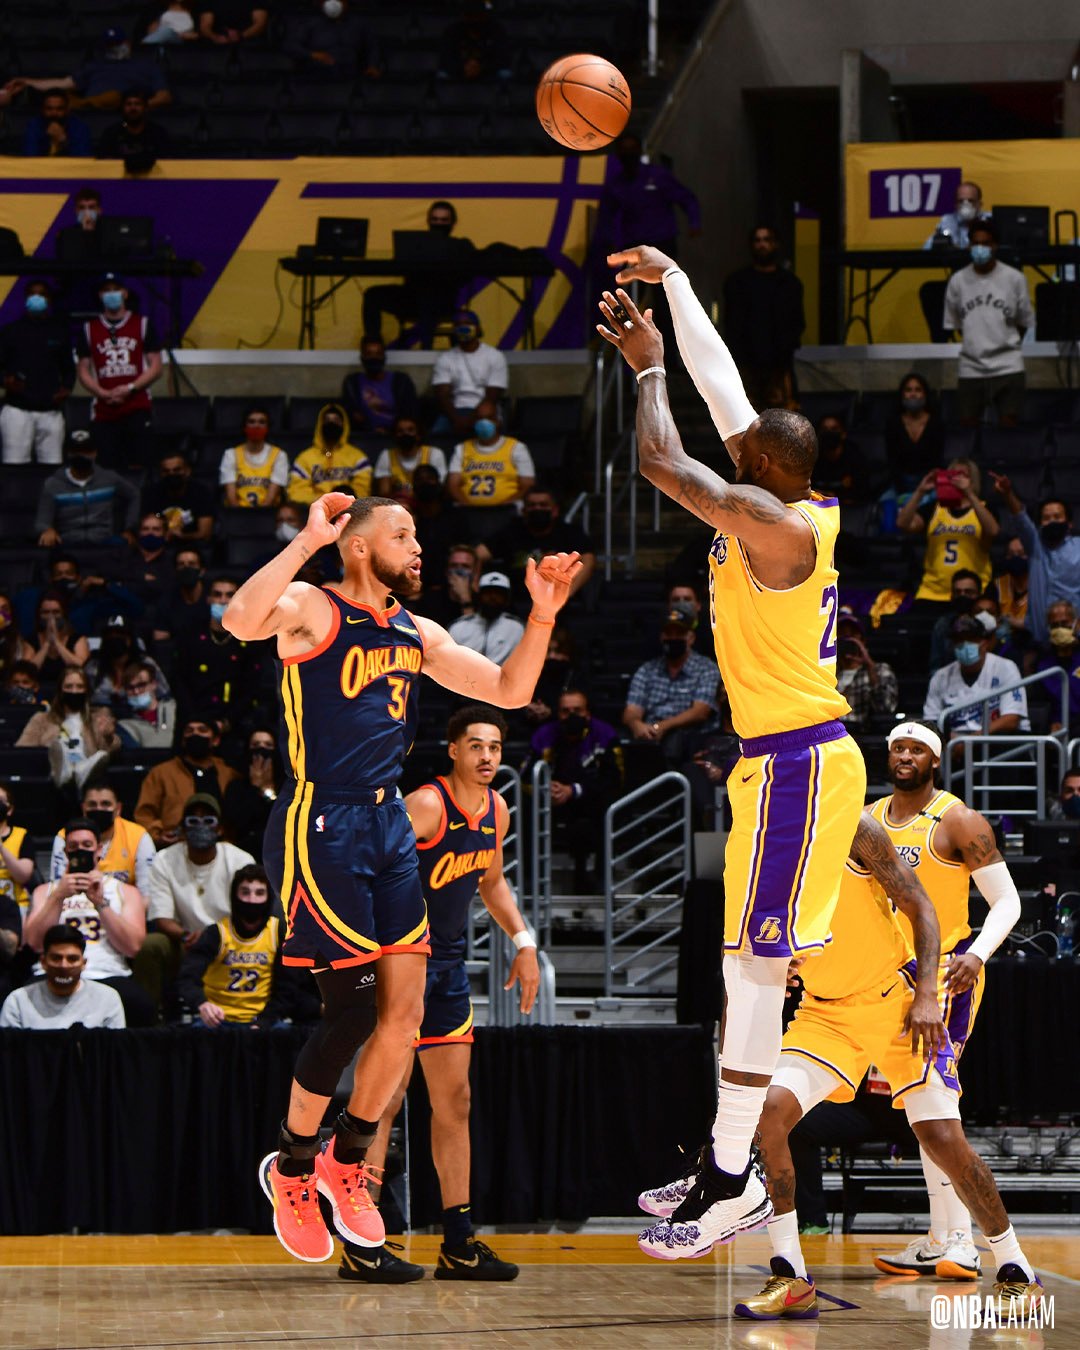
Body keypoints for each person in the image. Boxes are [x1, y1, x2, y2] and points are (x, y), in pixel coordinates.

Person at [221, 489, 579, 1264]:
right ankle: (290, 1166)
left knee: (406, 1014)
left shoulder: (415, 630)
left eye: (418, 535)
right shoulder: (312, 607)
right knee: (352, 1010)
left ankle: (346, 1161)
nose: (419, 548)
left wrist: (543, 614)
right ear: (358, 546)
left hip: (385, 820)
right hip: (323, 820)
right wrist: (306, 541)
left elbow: (510, 692)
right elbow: (239, 620)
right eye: (403, 534)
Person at [597, 244, 866, 1261]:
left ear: (761, 467)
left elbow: (663, 463)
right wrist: (673, 282)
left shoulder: (771, 523)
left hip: (802, 761)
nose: (734, 434)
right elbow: (727, 392)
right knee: (738, 969)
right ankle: (723, 1164)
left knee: (756, 975)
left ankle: (731, 1179)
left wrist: (647, 372)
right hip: (773, 763)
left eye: (745, 442)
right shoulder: (783, 491)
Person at [721, 796, 1038, 1319]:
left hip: (895, 1002)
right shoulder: (760, 860)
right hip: (825, 1013)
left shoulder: (855, 827)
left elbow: (922, 907)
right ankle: (790, 1274)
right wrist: (784, 966)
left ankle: (1014, 1267)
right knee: (769, 1112)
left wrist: (928, 995)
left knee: (942, 1137)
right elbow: (755, 951)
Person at [340, 706, 536, 1283]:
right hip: (401, 963)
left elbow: (492, 883)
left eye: (494, 747)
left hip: (447, 969)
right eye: (476, 746)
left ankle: (458, 1243)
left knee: (456, 1103)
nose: (486, 757)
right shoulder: (426, 804)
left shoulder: (497, 810)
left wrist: (523, 941)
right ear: (453, 750)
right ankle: (361, 1240)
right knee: (384, 1100)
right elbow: (367, 868)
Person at [867, 724, 1028, 1294]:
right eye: (898, 748)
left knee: (934, 1104)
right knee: (920, 1107)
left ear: (935, 760)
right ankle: (943, 1237)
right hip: (884, 976)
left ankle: (960, 1238)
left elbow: (1007, 901)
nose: (905, 756)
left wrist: (977, 955)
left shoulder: (958, 820)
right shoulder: (868, 818)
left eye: (917, 750)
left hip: (944, 975)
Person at [24, 818, 152, 1026]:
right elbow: (35, 943)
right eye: (73, 846)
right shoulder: (45, 891)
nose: (80, 850)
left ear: (99, 850)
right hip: (53, 971)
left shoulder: (125, 891)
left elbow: (133, 947)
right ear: (65, 852)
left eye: (86, 845)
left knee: (141, 1004)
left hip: (107, 973)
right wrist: (58, 897)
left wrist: (101, 903)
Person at [524, 688, 622, 892]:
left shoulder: (605, 734)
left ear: (588, 713)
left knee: (605, 807)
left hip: (591, 801)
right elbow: (524, 778)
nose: (572, 716)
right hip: (552, 802)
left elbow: (614, 779)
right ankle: (530, 883)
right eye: (565, 711)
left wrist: (574, 790)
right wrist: (546, 790)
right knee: (527, 811)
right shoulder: (544, 735)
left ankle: (602, 881)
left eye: (577, 710)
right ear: (558, 713)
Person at [944, 219, 1034, 429]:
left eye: (985, 243)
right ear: (969, 246)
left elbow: (1024, 322)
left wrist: (1005, 341)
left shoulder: (1015, 279)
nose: (980, 248)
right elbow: (957, 324)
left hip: (1008, 366)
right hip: (970, 368)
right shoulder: (957, 281)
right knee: (967, 430)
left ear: (995, 246)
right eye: (975, 243)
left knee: (1008, 431)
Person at [177, 864, 283, 1027]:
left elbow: (287, 988)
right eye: (245, 892)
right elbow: (187, 978)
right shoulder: (216, 933)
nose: (252, 900)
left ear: (269, 897)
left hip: (261, 1020)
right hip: (217, 1019)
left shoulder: (278, 932)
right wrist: (202, 1004)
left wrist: (264, 1022)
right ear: (235, 896)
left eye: (259, 893)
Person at [146, 793, 256, 950]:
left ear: (220, 829)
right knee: (152, 944)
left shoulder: (240, 861)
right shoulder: (163, 860)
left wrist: (217, 937)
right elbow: (162, 918)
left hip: (231, 939)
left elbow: (248, 914)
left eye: (209, 821)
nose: (201, 826)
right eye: (193, 821)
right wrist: (187, 936)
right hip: (186, 940)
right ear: (183, 829)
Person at [75, 274, 163, 470]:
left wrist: (130, 388)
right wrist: (101, 392)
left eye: (115, 289)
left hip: (137, 406)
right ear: (100, 295)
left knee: (140, 465)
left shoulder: (143, 324)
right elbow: (83, 369)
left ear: (125, 293)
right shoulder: (88, 329)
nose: (111, 294)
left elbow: (156, 367)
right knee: (105, 467)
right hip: (103, 410)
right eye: (106, 290)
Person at [361, 203, 472, 349]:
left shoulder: (461, 246)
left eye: (444, 220)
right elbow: (397, 267)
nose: (439, 223)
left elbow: (470, 271)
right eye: (434, 219)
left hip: (442, 302)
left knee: (428, 295)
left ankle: (426, 350)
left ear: (453, 223)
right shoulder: (415, 244)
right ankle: (373, 346)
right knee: (372, 295)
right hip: (411, 299)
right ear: (428, 221)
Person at [721, 225, 804, 412]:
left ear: (775, 244)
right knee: (747, 417)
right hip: (747, 364)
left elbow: (797, 322)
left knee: (783, 418)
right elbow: (732, 323)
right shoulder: (737, 282)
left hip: (779, 365)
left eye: (767, 240)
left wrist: (786, 348)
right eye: (758, 240)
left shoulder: (789, 284)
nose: (762, 245)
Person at [622, 602, 717, 763]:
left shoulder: (706, 668)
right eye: (668, 633)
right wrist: (636, 724)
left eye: (679, 633)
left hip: (692, 744)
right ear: (662, 637)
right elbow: (631, 711)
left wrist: (663, 726)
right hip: (651, 741)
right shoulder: (647, 670)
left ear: (691, 638)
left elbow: (700, 712)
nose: (673, 638)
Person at [173, 574, 273, 727]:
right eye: (217, 595)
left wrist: (226, 722)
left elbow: (252, 687)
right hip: (193, 719)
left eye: (230, 595)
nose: (223, 600)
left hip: (234, 722)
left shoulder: (251, 639)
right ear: (209, 599)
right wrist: (195, 720)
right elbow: (179, 679)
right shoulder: (190, 635)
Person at [594, 134, 701, 276]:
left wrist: (694, 222)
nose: (628, 154)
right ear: (618, 154)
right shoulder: (616, 184)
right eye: (624, 150)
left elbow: (686, 198)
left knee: (665, 284)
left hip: (662, 242)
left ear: (639, 151)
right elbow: (606, 216)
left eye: (632, 149)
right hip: (634, 244)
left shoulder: (657, 175)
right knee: (631, 283)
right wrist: (608, 242)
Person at [991, 476, 1080, 641]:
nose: (1052, 521)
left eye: (1057, 517)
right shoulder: (1035, 544)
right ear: (1040, 525)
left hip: (1076, 637)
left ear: (1069, 523)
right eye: (1046, 518)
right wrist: (1008, 493)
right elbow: (1020, 519)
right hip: (1040, 639)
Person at [897, 459, 997, 606]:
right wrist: (920, 491)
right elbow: (903, 524)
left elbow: (993, 531)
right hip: (932, 592)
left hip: (972, 592)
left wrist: (969, 493)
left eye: (963, 475)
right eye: (953, 475)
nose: (958, 479)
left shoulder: (984, 509)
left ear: (973, 480)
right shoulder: (934, 508)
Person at [134, 713, 239, 845]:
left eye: (202, 730)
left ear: (215, 740)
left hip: (222, 846)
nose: (195, 734)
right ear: (183, 740)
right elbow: (144, 814)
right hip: (175, 845)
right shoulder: (161, 773)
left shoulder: (228, 774)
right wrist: (158, 834)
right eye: (189, 731)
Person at [476, 485, 595, 600]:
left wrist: (567, 593)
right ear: (524, 511)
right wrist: (475, 586)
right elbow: (477, 555)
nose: (537, 509)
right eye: (532, 505)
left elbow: (588, 560)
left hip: (557, 601)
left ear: (555, 510)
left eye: (543, 505)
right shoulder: (510, 532)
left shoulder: (569, 533)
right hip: (516, 600)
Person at [0, 280, 73, 465]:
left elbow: (69, 368)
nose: (37, 298)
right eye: (33, 294)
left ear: (49, 299)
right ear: (26, 299)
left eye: (42, 294)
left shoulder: (59, 331)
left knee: (52, 466)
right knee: (14, 465)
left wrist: (66, 388)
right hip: (17, 411)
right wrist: (5, 381)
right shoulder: (10, 331)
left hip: (50, 411)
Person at [12, 27, 172, 112]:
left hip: (124, 107)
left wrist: (136, 106)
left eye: (117, 44)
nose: (114, 48)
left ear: (127, 44)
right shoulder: (94, 66)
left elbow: (164, 96)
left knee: (113, 96)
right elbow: (63, 83)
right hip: (90, 113)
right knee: (56, 100)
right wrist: (26, 81)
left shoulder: (146, 65)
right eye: (110, 45)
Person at [923, 613, 1028, 739]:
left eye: (971, 639)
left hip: (997, 741)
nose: (965, 644)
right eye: (959, 640)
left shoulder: (1005, 667)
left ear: (985, 642)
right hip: (954, 743)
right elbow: (931, 722)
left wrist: (970, 741)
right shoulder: (941, 677)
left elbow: (1011, 719)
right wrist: (952, 740)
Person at [0, 925, 125, 1030]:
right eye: (56, 958)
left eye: (72, 959)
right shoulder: (18, 1001)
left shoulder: (108, 999)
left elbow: (114, 1049)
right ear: (43, 962)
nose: (64, 966)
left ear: (84, 964)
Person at [17, 667, 119, 794]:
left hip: (89, 779)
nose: (74, 691)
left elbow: (110, 751)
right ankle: (66, 773)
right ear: (60, 690)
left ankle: (80, 773)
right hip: (51, 776)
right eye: (69, 686)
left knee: (99, 756)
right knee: (60, 749)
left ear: (86, 690)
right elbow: (23, 749)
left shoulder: (97, 718)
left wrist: (108, 736)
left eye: (79, 687)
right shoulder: (41, 719)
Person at [49, 778, 155, 896]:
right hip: (75, 903)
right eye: (92, 804)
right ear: (83, 808)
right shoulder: (66, 837)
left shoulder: (138, 836)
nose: (99, 809)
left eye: (106, 804)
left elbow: (147, 895)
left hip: (125, 905)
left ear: (118, 809)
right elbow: (56, 888)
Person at [446, 400, 534, 540]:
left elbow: (527, 484)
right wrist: (471, 507)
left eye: (489, 417)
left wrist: (500, 509)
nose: (484, 422)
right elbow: (453, 485)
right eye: (479, 418)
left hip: (506, 513)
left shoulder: (517, 448)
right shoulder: (462, 449)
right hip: (469, 514)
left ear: (498, 421)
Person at [35, 430, 140, 547]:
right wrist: (47, 529)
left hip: (104, 541)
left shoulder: (109, 478)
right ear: (68, 454)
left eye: (86, 451)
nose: (81, 456)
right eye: (76, 451)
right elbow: (42, 521)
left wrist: (130, 529)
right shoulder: (53, 484)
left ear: (94, 453)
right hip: (68, 542)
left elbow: (134, 494)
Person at [431, 309, 507, 439]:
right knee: (437, 434)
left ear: (478, 328)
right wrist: (457, 420)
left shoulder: (495, 356)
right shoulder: (445, 358)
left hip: (485, 410)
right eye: (458, 324)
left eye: (468, 323)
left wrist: (470, 420)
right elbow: (442, 395)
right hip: (454, 411)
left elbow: (492, 396)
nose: (463, 327)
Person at [810, 412, 886, 534]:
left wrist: (835, 497)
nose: (829, 433)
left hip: (850, 514)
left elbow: (863, 494)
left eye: (834, 429)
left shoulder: (856, 458)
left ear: (843, 434)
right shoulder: (810, 459)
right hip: (817, 512)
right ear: (818, 434)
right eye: (825, 429)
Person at [288, 403, 373, 505]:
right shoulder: (305, 458)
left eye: (336, 420)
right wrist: (325, 502)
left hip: (349, 508)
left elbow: (362, 492)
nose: (331, 424)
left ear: (344, 425)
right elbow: (297, 493)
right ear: (320, 425)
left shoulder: (358, 457)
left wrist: (341, 502)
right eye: (327, 420)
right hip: (315, 508)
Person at [342, 336, 420, 438]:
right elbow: (353, 415)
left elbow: (410, 414)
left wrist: (390, 431)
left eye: (378, 354)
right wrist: (371, 430)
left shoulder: (401, 381)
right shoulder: (352, 383)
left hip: (397, 437)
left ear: (384, 356)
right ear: (362, 357)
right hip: (365, 437)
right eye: (369, 354)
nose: (374, 358)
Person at [883, 372, 945, 498]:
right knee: (885, 502)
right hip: (900, 484)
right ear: (902, 394)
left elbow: (937, 461)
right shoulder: (893, 423)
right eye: (908, 390)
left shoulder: (936, 423)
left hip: (929, 483)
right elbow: (892, 460)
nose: (913, 394)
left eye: (918, 390)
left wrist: (925, 488)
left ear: (925, 394)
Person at [222, 727, 282, 856]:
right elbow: (238, 822)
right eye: (255, 745)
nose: (261, 749)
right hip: (244, 852)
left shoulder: (286, 786)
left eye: (268, 745)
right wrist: (255, 787)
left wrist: (266, 791)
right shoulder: (236, 786)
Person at [284, 0, 382, 77]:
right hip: (317, 76)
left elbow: (372, 47)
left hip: (352, 75)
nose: (334, 3)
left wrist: (372, 66)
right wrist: (313, 55)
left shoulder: (359, 24)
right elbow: (290, 46)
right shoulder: (309, 23)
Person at [835, 609, 897, 729]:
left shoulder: (880, 670)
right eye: (843, 635)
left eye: (853, 635)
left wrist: (869, 666)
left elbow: (886, 708)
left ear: (863, 641)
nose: (848, 641)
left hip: (860, 731)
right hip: (831, 731)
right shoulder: (827, 672)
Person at [219, 405, 289, 509]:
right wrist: (240, 516)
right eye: (251, 422)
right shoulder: (230, 454)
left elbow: (271, 499)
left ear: (268, 427)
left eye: (262, 422)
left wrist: (257, 517)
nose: (256, 426)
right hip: (236, 513)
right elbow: (231, 498)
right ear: (244, 426)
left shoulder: (279, 455)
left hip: (267, 513)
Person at [142, 448, 216, 544]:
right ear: (161, 474)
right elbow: (148, 527)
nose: (171, 474)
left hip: (192, 545)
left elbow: (205, 534)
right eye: (166, 471)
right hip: (159, 544)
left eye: (177, 470)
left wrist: (182, 536)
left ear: (187, 471)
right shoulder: (152, 492)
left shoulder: (201, 492)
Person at [448, 572, 524, 665]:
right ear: (479, 596)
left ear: (506, 598)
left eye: (498, 593)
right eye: (488, 592)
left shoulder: (517, 628)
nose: (493, 597)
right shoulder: (459, 627)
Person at [372, 415, 446, 508]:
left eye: (410, 430)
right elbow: (384, 492)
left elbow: (438, 488)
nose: (405, 434)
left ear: (418, 434)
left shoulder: (434, 453)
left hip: (426, 506)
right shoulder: (386, 455)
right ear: (395, 435)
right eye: (400, 431)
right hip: (398, 506)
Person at [1031, 601, 1080, 735]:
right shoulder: (1042, 664)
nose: (1060, 629)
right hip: (1055, 731)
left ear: (1076, 624)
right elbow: (1040, 705)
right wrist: (1051, 724)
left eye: (1064, 624)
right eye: (1054, 625)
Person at [95, 88, 172, 170]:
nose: (133, 108)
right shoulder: (111, 133)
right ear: (122, 108)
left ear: (145, 108)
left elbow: (168, 162)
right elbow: (103, 163)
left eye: (137, 104)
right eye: (128, 104)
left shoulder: (158, 133)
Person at [436, 0, 512, 82]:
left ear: (485, 15)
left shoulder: (497, 30)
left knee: (505, 73)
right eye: (470, 15)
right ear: (463, 15)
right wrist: (463, 68)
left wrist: (481, 68)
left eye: (478, 15)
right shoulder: (452, 30)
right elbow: (446, 57)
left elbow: (503, 58)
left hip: (488, 69)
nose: (475, 19)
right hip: (460, 69)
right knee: (442, 74)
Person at [24, 592, 91, 680]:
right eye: (46, 612)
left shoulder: (78, 639)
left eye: (56, 612)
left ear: (64, 613)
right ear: (39, 615)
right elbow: (27, 673)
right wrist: (47, 643)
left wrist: (57, 642)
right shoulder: (31, 640)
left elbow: (80, 668)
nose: (51, 617)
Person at [927, 569, 983, 674]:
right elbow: (936, 665)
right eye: (958, 592)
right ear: (952, 596)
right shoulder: (943, 624)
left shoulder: (988, 620)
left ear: (979, 594)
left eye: (968, 592)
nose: (963, 596)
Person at [116, 659, 177, 748]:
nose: (136, 691)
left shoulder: (175, 708)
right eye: (130, 688)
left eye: (141, 685)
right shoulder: (124, 724)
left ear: (153, 684)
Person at [21, 88, 94, 156]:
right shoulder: (34, 126)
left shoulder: (79, 128)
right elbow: (30, 156)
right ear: (42, 109)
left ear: (67, 110)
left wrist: (64, 141)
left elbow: (84, 159)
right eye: (49, 108)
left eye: (59, 109)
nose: (54, 113)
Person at [0, 782, 35, 921]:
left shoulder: (21, 835)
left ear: (9, 809)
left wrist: (1, 848)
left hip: (16, 906)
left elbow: (23, 875)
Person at [923, 179, 991, 251]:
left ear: (979, 204)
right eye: (961, 201)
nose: (966, 205)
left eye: (970, 201)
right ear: (955, 205)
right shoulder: (947, 222)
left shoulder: (990, 221)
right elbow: (926, 249)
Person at [991, 535, 1030, 634]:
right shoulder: (996, 585)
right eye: (1011, 554)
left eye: (1021, 554)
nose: (1016, 558)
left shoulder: (1043, 586)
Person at [198, 1, 269, 44]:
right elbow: (205, 26)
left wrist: (242, 36)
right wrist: (215, 37)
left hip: (249, 43)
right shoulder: (209, 2)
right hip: (217, 45)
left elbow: (260, 23)